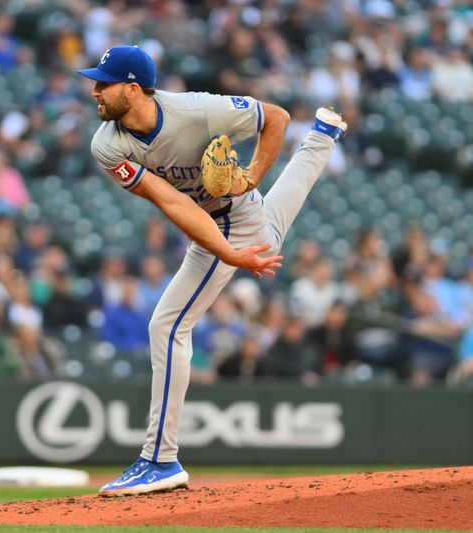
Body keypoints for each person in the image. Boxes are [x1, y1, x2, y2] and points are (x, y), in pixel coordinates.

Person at [78, 45, 346, 495]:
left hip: (235, 211)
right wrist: (228, 251)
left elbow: (275, 117)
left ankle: (160, 460)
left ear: (132, 87)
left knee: (167, 327)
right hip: (224, 219)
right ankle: (321, 137)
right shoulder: (106, 144)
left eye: (103, 83)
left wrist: (254, 175)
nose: (94, 91)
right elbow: (172, 200)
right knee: (268, 233)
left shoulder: (196, 110)